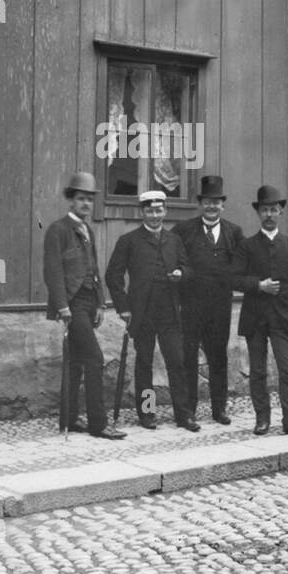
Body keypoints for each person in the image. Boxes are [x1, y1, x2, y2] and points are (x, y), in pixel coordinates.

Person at [105, 190, 198, 430]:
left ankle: (183, 415)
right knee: (144, 363)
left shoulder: (174, 241)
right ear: (142, 212)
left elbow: (189, 270)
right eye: (149, 210)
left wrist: (181, 274)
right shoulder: (129, 241)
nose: (155, 215)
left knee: (177, 362)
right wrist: (124, 309)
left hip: (169, 311)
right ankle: (147, 413)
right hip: (142, 312)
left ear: (165, 211)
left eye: (159, 210)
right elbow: (113, 276)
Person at [43, 172, 124, 439]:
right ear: (71, 200)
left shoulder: (88, 230)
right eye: (81, 199)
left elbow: (95, 269)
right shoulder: (58, 229)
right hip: (73, 304)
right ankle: (99, 424)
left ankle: (69, 418)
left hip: (89, 303)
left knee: (77, 362)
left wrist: (100, 303)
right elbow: (52, 271)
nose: (86, 204)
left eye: (90, 200)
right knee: (94, 359)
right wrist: (62, 307)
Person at [231, 185, 288, 437]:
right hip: (255, 317)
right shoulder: (246, 246)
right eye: (264, 210)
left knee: (287, 369)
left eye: (273, 210)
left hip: (282, 317)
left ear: (281, 212)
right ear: (258, 213)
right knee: (258, 371)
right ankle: (262, 419)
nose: (269, 214)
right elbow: (234, 278)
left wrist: (286, 295)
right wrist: (259, 285)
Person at [174, 175, 245, 424]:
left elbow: (241, 264)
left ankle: (219, 409)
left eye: (216, 202)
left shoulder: (234, 232)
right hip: (192, 306)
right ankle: (189, 410)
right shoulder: (184, 231)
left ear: (222, 205)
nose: (212, 206)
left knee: (218, 357)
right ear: (200, 203)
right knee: (189, 356)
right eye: (207, 201)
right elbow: (175, 259)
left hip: (220, 308)